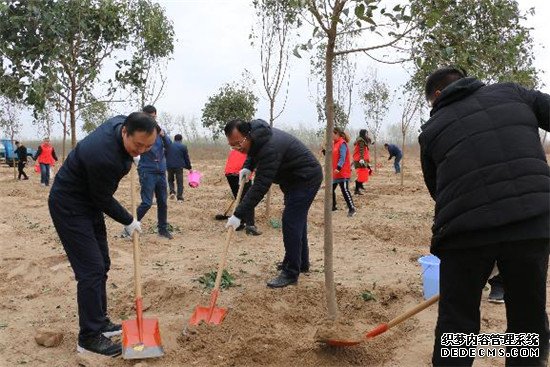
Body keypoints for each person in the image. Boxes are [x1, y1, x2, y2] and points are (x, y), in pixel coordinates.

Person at [419, 67, 550, 366]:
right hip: (530, 223)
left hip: (464, 233)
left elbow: (437, 190)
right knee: (527, 318)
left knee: (458, 325)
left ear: (437, 95)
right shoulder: (513, 92)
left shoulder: (432, 130)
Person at [48, 112, 157, 356]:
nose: (142, 151)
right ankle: (88, 337)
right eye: (137, 145)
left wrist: (132, 155)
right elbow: (102, 198)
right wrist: (129, 220)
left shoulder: (121, 122)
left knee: (102, 263)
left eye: (148, 146)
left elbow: (98, 198)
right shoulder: (103, 156)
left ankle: (100, 321)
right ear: (124, 133)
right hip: (70, 204)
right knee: (91, 270)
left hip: (89, 203)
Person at [223, 119, 322, 288]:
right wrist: (248, 166)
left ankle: (291, 272)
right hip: (292, 180)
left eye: (238, 144)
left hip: (305, 178)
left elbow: (260, 187)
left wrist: (238, 214)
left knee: (291, 221)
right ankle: (301, 263)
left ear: (247, 135)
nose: (237, 148)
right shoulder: (255, 137)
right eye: (232, 146)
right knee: (297, 222)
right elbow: (253, 152)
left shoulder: (270, 148)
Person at [135, 105, 173, 240]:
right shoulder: (141, 132)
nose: (151, 119)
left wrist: (163, 135)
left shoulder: (160, 132)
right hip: (147, 171)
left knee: (163, 202)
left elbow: (170, 146)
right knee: (146, 202)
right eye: (148, 117)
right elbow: (139, 148)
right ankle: (130, 226)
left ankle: (162, 230)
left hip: (161, 171)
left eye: (153, 117)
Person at [224, 149, 261, 235]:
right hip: (241, 172)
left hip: (229, 173)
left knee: (240, 199)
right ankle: (250, 226)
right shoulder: (252, 147)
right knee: (248, 199)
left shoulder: (239, 145)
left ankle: (240, 222)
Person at [332, 127, 356, 217]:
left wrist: (338, 167)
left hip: (342, 172)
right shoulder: (334, 144)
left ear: (337, 133)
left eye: (332, 134)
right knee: (330, 190)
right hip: (335, 173)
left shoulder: (342, 144)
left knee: (345, 190)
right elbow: (332, 155)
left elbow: (342, 157)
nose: (331, 136)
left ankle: (352, 209)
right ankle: (333, 206)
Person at [166, 134, 192, 202]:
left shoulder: (168, 146)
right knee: (179, 182)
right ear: (181, 140)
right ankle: (179, 198)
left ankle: (172, 192)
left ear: (174, 139)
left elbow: (165, 155)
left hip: (169, 166)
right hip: (179, 166)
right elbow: (186, 158)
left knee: (170, 180)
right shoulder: (183, 146)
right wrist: (189, 167)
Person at [352, 129, 371, 195]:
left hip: (361, 159)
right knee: (361, 174)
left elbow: (368, 142)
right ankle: (357, 189)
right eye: (366, 133)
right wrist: (361, 159)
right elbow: (361, 150)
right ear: (363, 134)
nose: (367, 135)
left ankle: (359, 187)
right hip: (359, 160)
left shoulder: (362, 139)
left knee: (363, 173)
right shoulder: (361, 141)